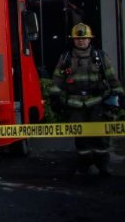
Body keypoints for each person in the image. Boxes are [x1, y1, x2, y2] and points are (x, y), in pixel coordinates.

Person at [49, 23, 123, 175]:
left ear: (90, 39)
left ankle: (103, 166)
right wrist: (54, 97)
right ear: (73, 40)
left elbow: (112, 78)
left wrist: (119, 94)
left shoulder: (100, 57)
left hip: (97, 103)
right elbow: (57, 80)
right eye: (77, 39)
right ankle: (84, 166)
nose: (81, 41)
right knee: (81, 139)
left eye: (84, 39)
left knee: (101, 137)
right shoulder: (65, 58)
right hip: (75, 104)